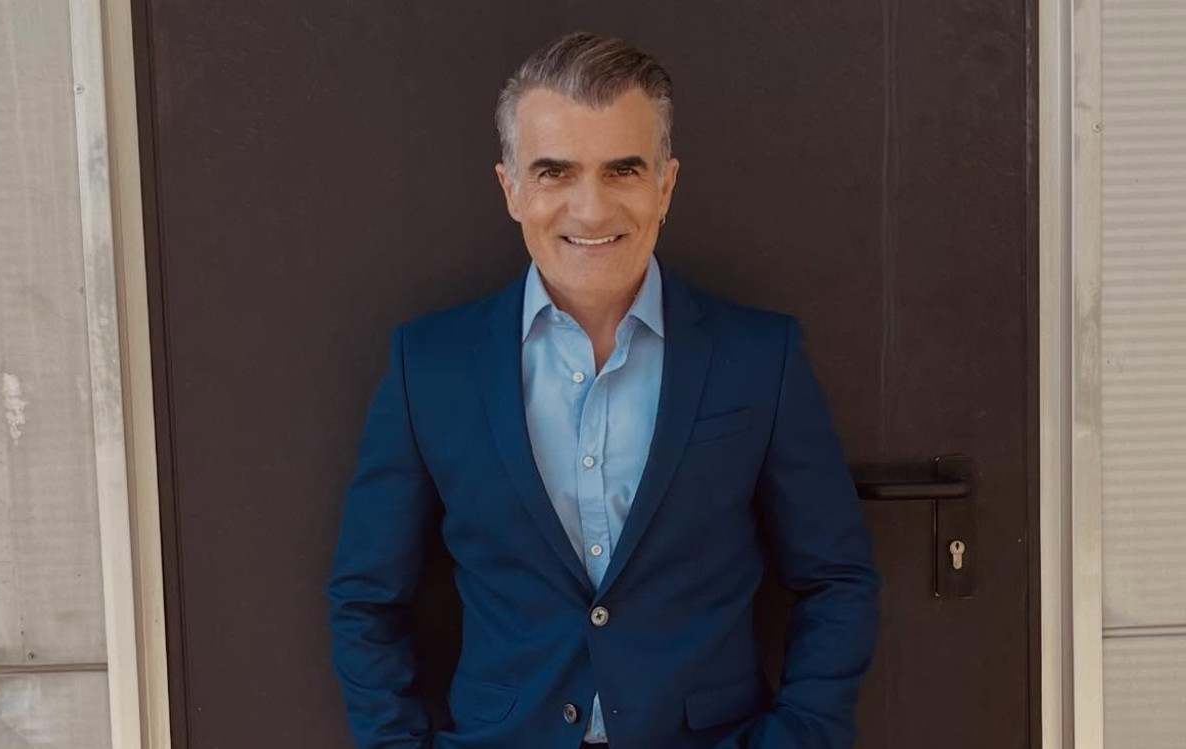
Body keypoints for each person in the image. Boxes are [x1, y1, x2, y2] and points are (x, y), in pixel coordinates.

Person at [326, 31, 880, 749]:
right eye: (554, 172)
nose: (591, 210)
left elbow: (837, 578)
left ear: (665, 185)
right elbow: (365, 600)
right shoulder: (429, 367)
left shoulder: (759, 357)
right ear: (511, 188)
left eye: (622, 170)